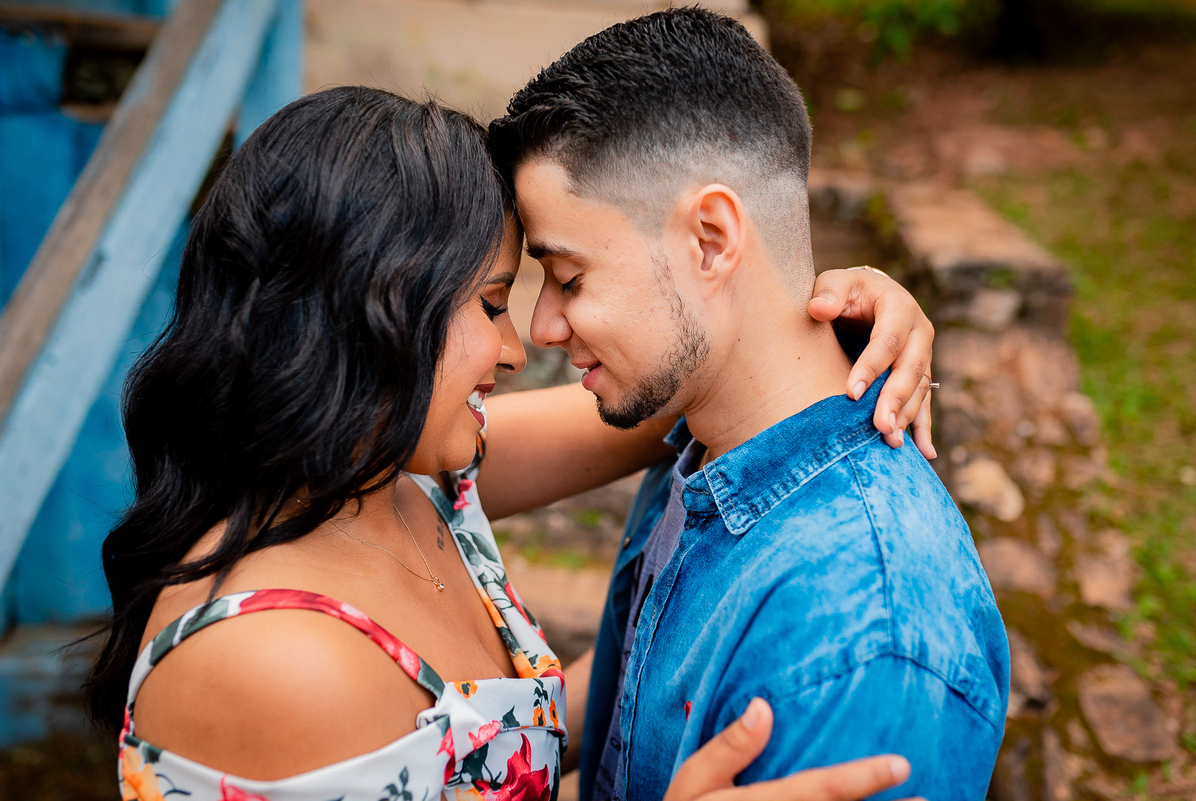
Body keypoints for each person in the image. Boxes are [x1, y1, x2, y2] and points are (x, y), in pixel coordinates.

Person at [86, 87, 935, 801]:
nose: (518, 346)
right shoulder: (278, 657)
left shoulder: (394, 478)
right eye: (492, 302)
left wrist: (837, 311)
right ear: (370, 310)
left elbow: (694, 375)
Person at [488, 9, 1009, 801]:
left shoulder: (867, 633)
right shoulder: (702, 430)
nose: (542, 326)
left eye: (569, 277)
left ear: (709, 238)